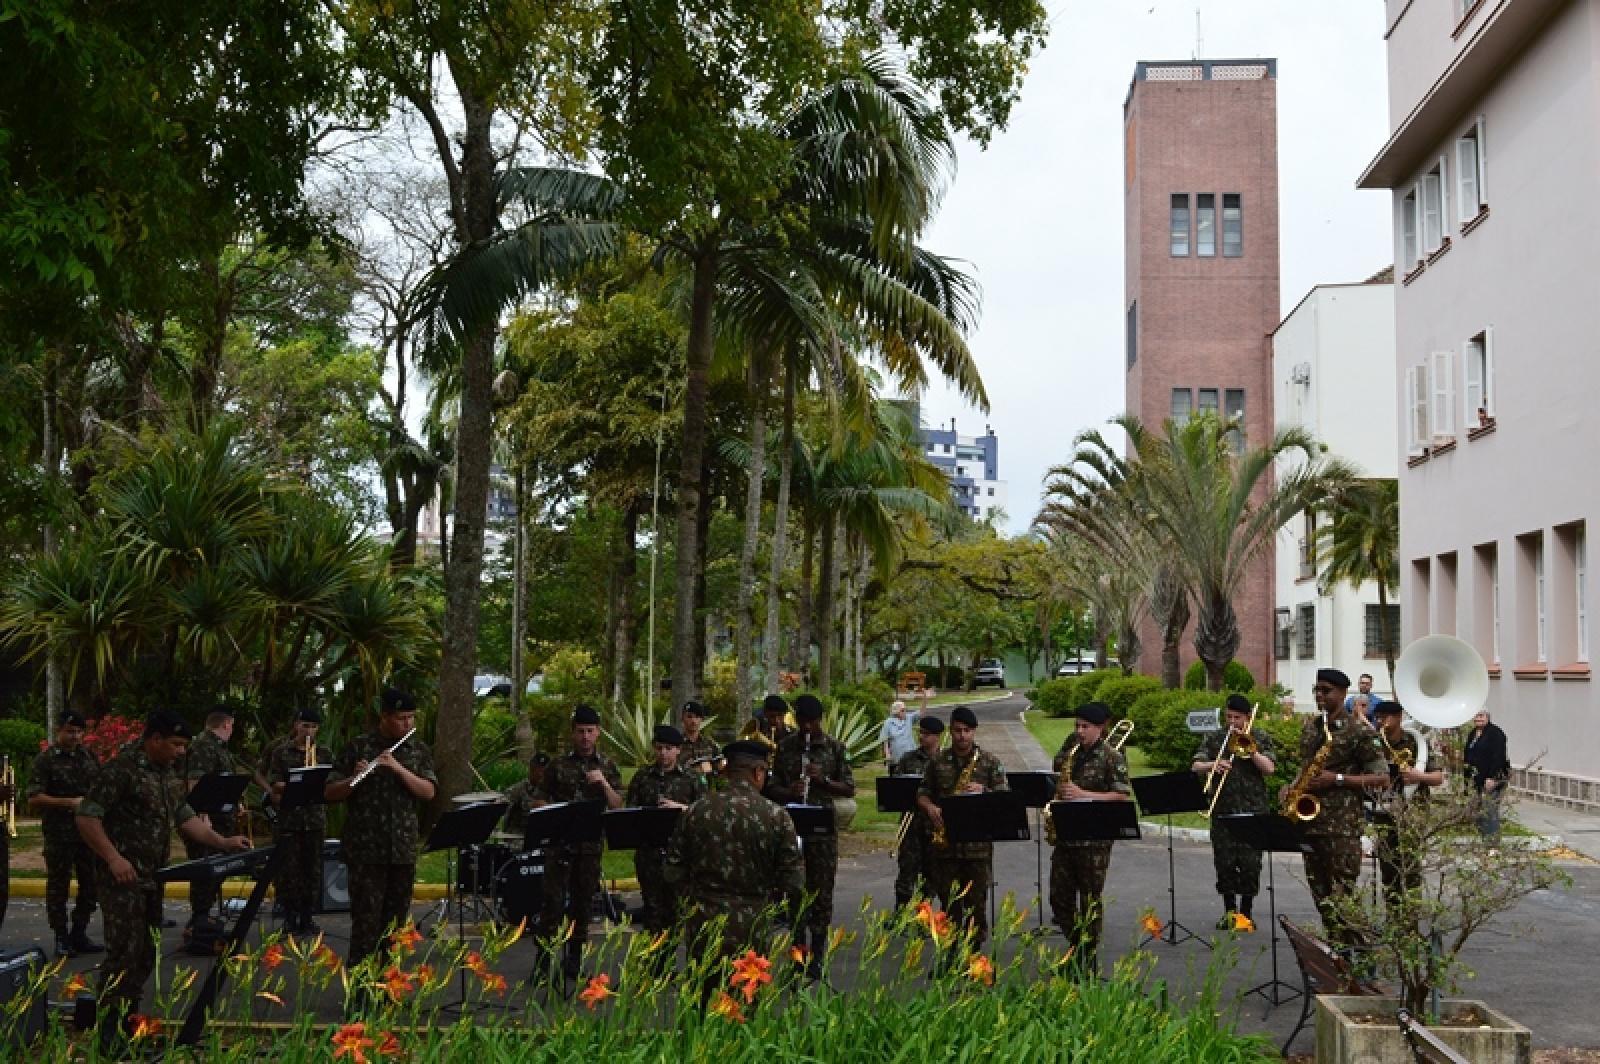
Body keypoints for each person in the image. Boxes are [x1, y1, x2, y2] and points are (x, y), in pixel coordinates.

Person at [76, 711, 250, 1045]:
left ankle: (130, 1023)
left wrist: (224, 842)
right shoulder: (121, 770)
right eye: (176, 744)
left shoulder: (165, 773)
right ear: (154, 739)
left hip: (153, 878)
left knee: (144, 952)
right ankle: (109, 1033)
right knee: (123, 954)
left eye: (184, 745)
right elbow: (87, 817)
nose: (182, 752)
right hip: (122, 879)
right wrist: (113, 858)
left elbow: (185, 818)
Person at [664, 740, 804, 967]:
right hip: (753, 923)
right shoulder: (776, 816)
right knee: (746, 992)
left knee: (705, 996)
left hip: (704, 922)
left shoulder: (697, 811)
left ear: (727, 771)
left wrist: (694, 898)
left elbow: (672, 871)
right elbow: (794, 880)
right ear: (758, 772)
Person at [325, 688, 437, 967]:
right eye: (401, 718)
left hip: (402, 850)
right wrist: (355, 778)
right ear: (384, 717)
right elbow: (329, 793)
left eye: (411, 718)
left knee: (396, 925)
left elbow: (428, 792)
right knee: (366, 922)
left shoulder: (417, 750)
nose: (408, 724)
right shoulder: (358, 747)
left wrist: (397, 768)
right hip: (366, 851)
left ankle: (390, 990)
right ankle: (361, 993)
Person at [532, 704, 623, 982]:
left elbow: (618, 806)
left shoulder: (607, 765)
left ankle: (574, 961)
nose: (585, 737)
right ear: (572, 733)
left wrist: (604, 785)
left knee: (583, 906)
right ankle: (543, 963)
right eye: (580, 731)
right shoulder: (558, 765)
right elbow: (538, 799)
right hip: (560, 846)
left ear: (598, 733)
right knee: (552, 904)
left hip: (589, 848)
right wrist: (555, 811)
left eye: (590, 731)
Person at [1297, 668, 1388, 947]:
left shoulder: (1359, 732)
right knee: (1322, 899)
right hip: (1310, 824)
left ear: (1343, 693)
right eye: (1317, 690)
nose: (1320, 696)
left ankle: (1362, 959)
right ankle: (1337, 957)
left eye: (1326, 691)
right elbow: (1305, 770)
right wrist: (1292, 787)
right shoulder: (1312, 727)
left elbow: (1382, 778)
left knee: (1343, 899)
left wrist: (1337, 779)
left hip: (1341, 829)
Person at [768, 693, 855, 977]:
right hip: (793, 829)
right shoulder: (785, 748)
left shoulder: (834, 748)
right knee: (794, 892)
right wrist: (788, 791)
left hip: (822, 833)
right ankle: (797, 953)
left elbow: (849, 788)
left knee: (821, 893)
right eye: (803, 722)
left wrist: (823, 781)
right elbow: (770, 788)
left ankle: (818, 953)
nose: (807, 728)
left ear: (820, 720)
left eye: (812, 723)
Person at [1049, 702, 1131, 972]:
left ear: (1100, 728)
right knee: (1059, 899)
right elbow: (1057, 768)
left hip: (1094, 840)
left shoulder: (1112, 756)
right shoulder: (1072, 747)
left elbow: (1121, 795)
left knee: (1090, 900)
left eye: (1085, 727)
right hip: (1066, 834)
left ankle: (1087, 959)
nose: (1080, 731)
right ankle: (1077, 945)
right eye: (1077, 726)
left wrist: (1084, 794)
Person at [917, 706, 1008, 948]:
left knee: (977, 905)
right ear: (951, 731)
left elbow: (1005, 799)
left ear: (974, 732)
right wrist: (930, 808)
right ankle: (950, 955)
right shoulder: (937, 761)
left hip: (977, 848)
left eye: (967, 731)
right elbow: (923, 793)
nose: (962, 736)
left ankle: (974, 959)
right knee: (949, 904)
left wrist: (984, 791)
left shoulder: (989, 762)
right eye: (957, 731)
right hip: (947, 846)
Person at [1190, 694, 1276, 929]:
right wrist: (1212, 765)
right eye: (1228, 717)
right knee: (1224, 863)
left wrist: (1252, 752)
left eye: (1237, 717)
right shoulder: (1216, 738)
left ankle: (1246, 914)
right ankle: (1229, 912)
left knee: (1250, 864)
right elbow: (1195, 765)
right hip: (1222, 810)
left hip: (1253, 810)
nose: (1232, 722)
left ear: (1248, 717)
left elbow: (1269, 769)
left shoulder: (1260, 737)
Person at [27, 712, 104, 957]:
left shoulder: (88, 756)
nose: (75, 737)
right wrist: (68, 802)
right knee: (58, 886)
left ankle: (79, 932)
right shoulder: (46, 760)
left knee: (91, 884)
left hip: (88, 832)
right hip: (60, 833)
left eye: (79, 732)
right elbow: (34, 797)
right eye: (70, 731)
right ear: (59, 731)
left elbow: (101, 785)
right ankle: (61, 936)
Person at [625, 724, 706, 933]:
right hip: (649, 853)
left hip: (679, 855)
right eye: (659, 748)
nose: (663, 754)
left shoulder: (691, 778)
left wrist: (681, 808)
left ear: (678, 750)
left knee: (677, 911)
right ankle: (655, 962)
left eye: (668, 748)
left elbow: (705, 814)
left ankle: (670, 958)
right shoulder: (643, 777)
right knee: (652, 911)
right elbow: (630, 812)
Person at [261, 707, 332, 934]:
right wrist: (298, 782)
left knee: (312, 870)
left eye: (313, 727)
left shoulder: (323, 753)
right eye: (304, 726)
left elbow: (331, 781)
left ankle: (307, 917)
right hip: (289, 819)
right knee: (288, 870)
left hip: (314, 820)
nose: (308, 731)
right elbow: (275, 782)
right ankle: (289, 917)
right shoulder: (282, 752)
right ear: (296, 726)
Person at [1371, 702, 1444, 906]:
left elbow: (1438, 778)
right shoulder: (1375, 742)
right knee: (1388, 867)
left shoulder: (1415, 742)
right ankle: (1392, 916)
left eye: (1385, 717)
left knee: (1410, 868)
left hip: (1413, 811)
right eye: (1378, 717)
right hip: (1384, 811)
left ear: (1398, 717)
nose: (1380, 722)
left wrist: (1417, 775)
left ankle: (1410, 920)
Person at [182, 707, 238, 928]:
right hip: (207, 820)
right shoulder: (204, 746)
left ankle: (204, 914)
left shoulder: (219, 748)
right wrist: (202, 814)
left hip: (221, 817)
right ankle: (199, 917)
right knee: (205, 869)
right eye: (232, 725)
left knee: (218, 867)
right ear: (226, 724)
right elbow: (196, 784)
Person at [892, 716, 944, 908]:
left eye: (926, 734)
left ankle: (925, 915)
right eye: (920, 733)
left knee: (932, 872)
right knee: (907, 869)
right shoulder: (908, 758)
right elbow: (896, 787)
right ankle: (900, 914)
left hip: (934, 824)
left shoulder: (944, 759)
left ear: (937, 736)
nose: (921, 737)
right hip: (912, 822)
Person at [1463, 709, 1511, 845]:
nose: (1478, 718)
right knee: (1479, 813)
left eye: (1481, 716)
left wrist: (1492, 777)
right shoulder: (1473, 733)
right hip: (1476, 779)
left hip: (1492, 779)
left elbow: (1499, 757)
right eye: (1476, 716)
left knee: (1489, 810)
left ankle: (1492, 846)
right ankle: (1484, 841)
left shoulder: (1496, 733)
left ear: (1488, 717)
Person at [503, 753, 551, 839]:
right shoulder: (517, 790)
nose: (541, 774)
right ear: (531, 770)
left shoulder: (552, 790)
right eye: (538, 770)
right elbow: (503, 807)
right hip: (519, 838)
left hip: (544, 839)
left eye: (545, 771)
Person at [680, 700, 721, 774]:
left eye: (697, 717)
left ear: (701, 719)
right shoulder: (676, 745)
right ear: (682, 719)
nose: (693, 721)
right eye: (689, 717)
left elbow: (720, 765)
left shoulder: (710, 743)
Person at [878, 700, 918, 770]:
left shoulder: (908, 718)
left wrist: (925, 698)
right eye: (902, 710)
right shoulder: (888, 722)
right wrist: (887, 756)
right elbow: (885, 741)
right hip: (896, 756)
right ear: (896, 711)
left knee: (911, 777)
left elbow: (921, 713)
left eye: (905, 710)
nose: (905, 712)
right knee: (896, 778)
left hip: (910, 756)